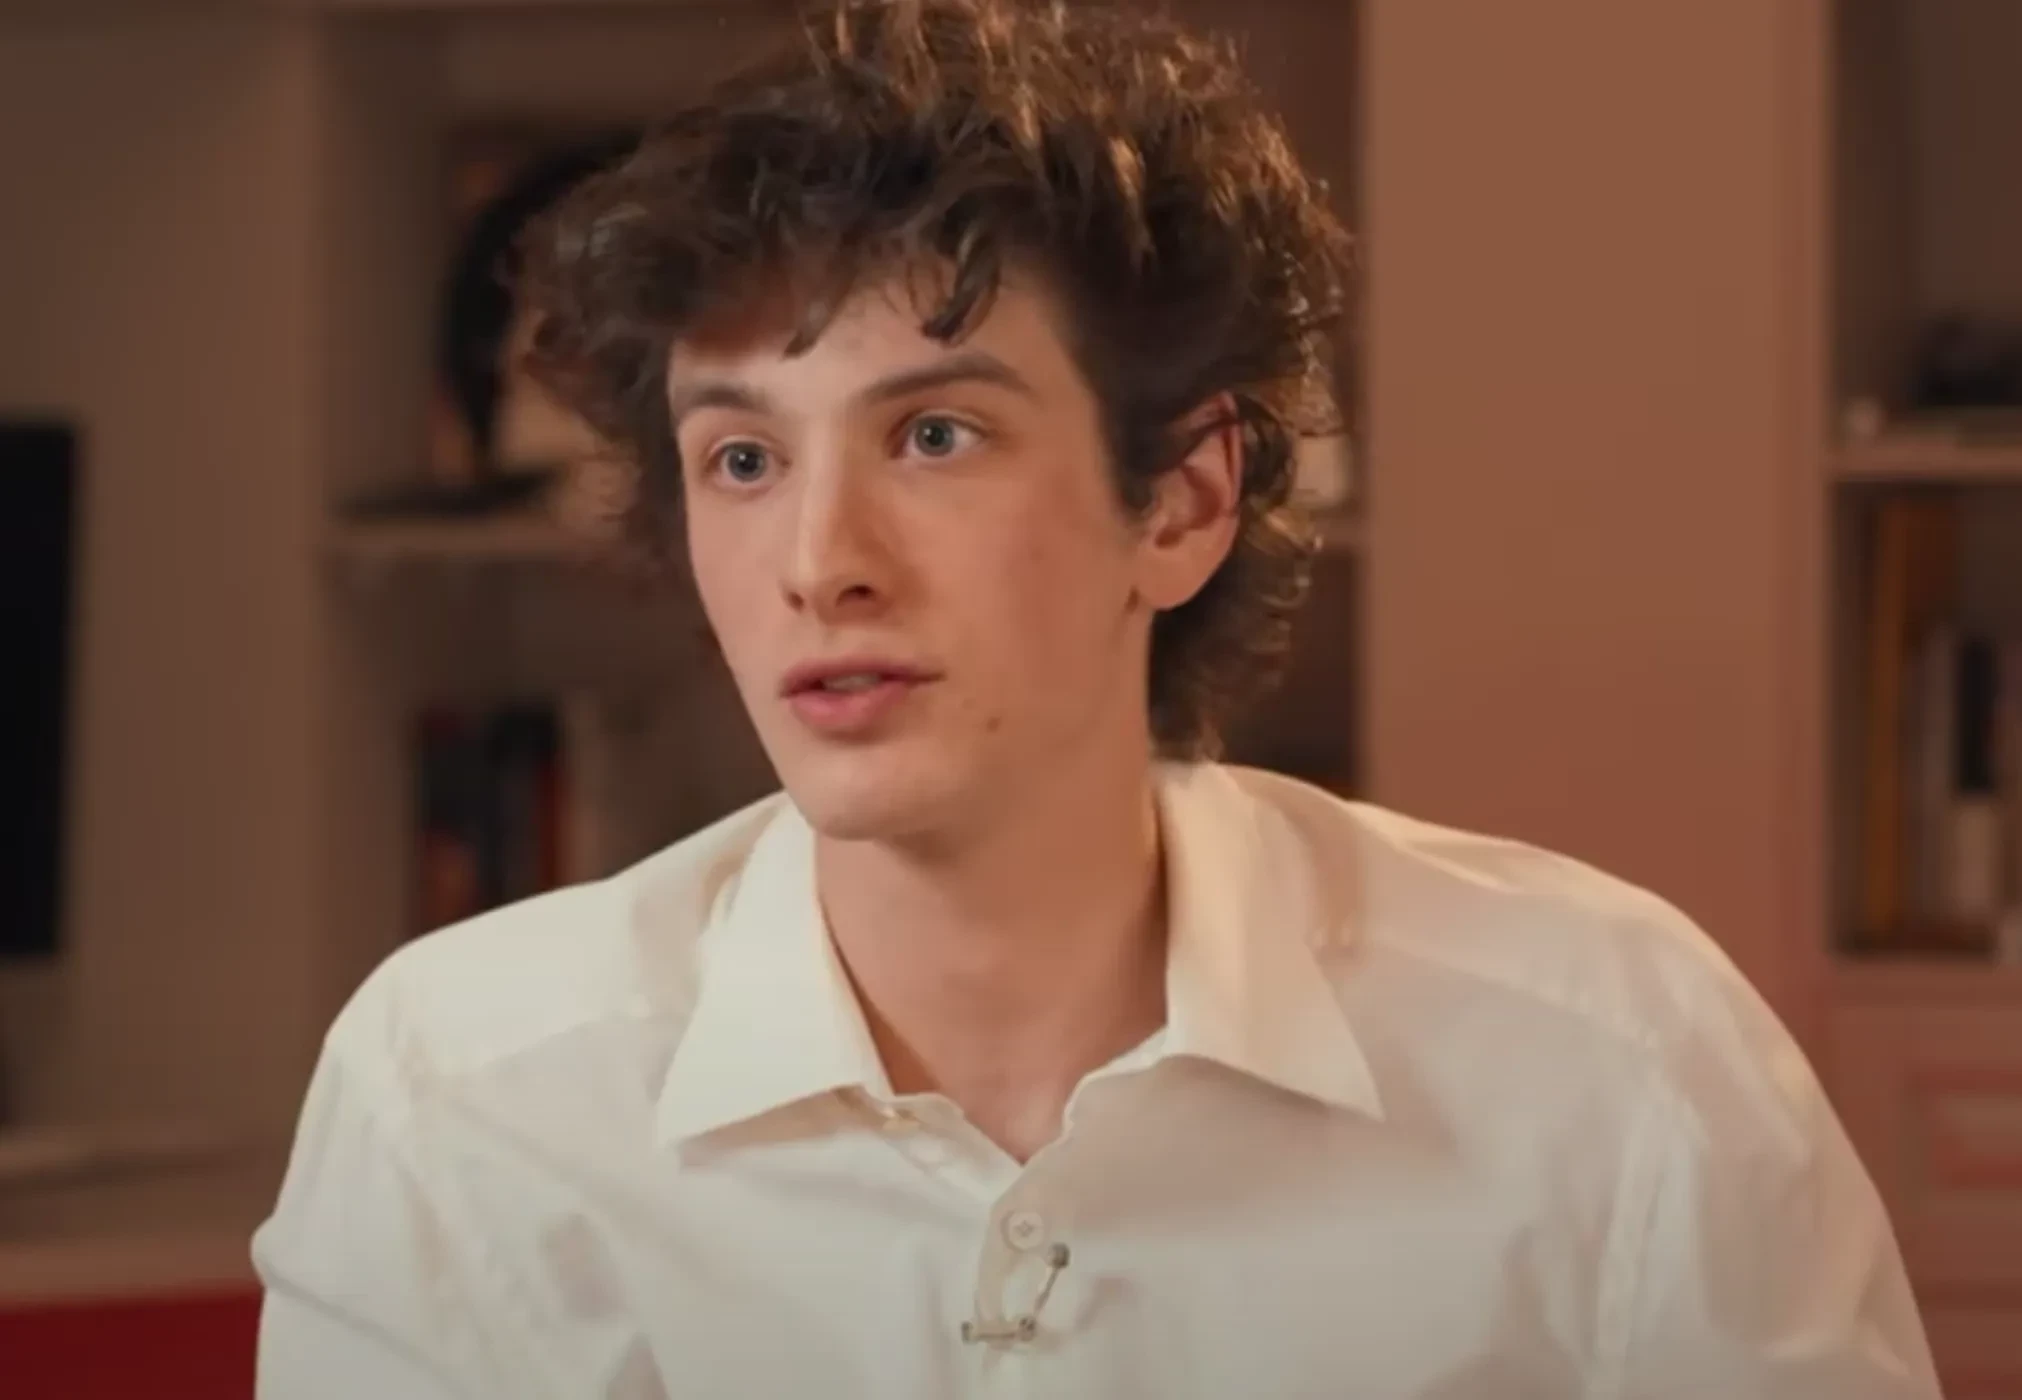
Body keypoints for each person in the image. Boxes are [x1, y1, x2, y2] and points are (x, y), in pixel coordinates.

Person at [251, 1, 1941, 1395]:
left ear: (1183, 501)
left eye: (935, 435)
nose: (819, 564)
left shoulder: (1611, 1062)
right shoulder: (461, 1093)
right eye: (744, 459)